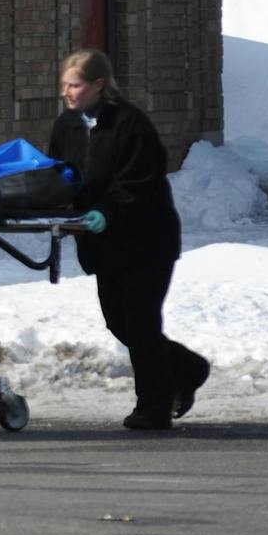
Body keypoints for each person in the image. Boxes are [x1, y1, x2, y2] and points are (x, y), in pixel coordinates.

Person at [47, 49, 210, 431]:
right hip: (102, 243)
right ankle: (188, 369)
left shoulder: (129, 124)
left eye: (76, 85)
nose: (68, 93)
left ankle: (152, 407)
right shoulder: (68, 126)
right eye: (65, 85)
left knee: (140, 322)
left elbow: (139, 183)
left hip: (145, 239)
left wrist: (108, 211)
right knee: (118, 321)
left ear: (99, 85)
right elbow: (60, 173)